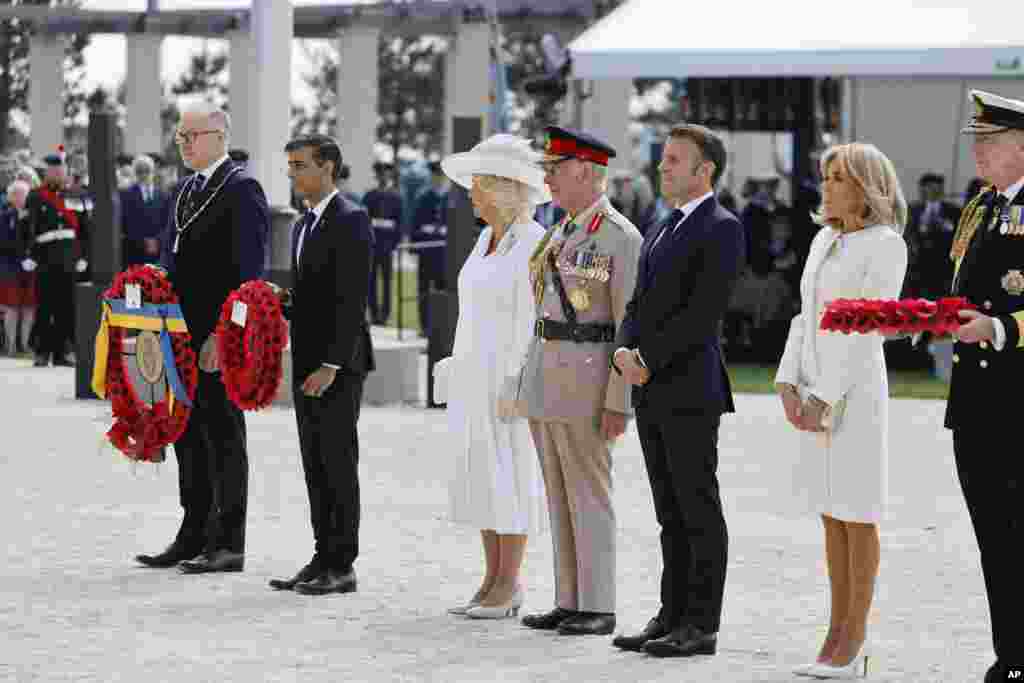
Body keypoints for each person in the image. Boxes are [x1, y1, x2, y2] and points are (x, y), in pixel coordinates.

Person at [773, 142, 908, 678]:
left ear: (865, 186)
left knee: (858, 513)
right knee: (830, 514)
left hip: (854, 394)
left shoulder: (885, 244)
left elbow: (867, 327)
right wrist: (787, 380)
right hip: (812, 387)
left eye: (837, 177)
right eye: (825, 176)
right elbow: (803, 317)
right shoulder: (823, 239)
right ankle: (833, 631)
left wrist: (824, 394)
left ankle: (856, 638)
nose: (826, 185)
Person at [612, 124, 745, 658]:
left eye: (673, 160)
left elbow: (702, 314)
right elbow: (638, 301)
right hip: (651, 387)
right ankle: (670, 613)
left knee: (697, 506)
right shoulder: (662, 225)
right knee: (669, 509)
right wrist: (624, 348)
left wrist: (646, 358)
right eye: (663, 159)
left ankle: (701, 623)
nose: (662, 168)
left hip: (689, 386)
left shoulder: (721, 226)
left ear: (704, 170)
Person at [518, 126, 642, 637]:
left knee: (590, 493)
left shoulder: (619, 236)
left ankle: (600, 602)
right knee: (558, 494)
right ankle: (569, 597)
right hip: (550, 377)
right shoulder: (561, 231)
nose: (547, 178)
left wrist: (620, 400)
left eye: (555, 168)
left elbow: (627, 326)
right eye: (546, 169)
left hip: (590, 381)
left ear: (587, 172)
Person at [135, 103, 269, 574]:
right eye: (180, 138)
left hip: (216, 336)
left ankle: (229, 540)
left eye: (190, 136)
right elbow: (175, 257)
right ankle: (193, 531)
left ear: (218, 135)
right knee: (188, 433)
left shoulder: (242, 188)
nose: (184, 144)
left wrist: (222, 333)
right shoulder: (184, 189)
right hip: (179, 333)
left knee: (224, 434)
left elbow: (249, 275)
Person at [433, 134, 548, 619]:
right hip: (473, 371)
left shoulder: (535, 243)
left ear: (505, 188)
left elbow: (538, 317)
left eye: (478, 185)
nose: (471, 195)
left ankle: (510, 583)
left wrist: (523, 381)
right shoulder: (485, 239)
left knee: (512, 473)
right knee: (479, 473)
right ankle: (490, 578)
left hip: (509, 376)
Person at [268, 135, 375, 596]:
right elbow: (315, 293)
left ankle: (342, 562)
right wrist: (284, 301)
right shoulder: (301, 225)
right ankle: (321, 553)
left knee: (336, 459)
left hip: (337, 362)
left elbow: (351, 299)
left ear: (327, 167)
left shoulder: (351, 219)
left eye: (299, 166)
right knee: (314, 461)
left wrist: (332, 363)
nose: (292, 175)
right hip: (307, 356)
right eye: (289, 166)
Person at [945, 89, 1024, 683]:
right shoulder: (983, 206)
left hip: (1017, 398)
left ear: (1021, 146)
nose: (977, 151)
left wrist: (998, 327)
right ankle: (1014, 654)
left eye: (989, 142)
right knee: (994, 537)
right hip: (974, 402)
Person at [19, 149, 88, 367]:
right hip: (45, 257)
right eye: (53, 172)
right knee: (44, 305)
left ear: (66, 172)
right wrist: (28, 254)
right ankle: (42, 351)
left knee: (66, 306)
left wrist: (84, 255)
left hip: (69, 257)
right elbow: (25, 228)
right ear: (46, 173)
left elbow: (85, 228)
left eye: (60, 171)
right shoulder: (36, 195)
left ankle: (63, 352)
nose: (57, 175)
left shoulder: (76, 194)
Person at [904, 172, 960, 300]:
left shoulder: (953, 210)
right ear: (922, 189)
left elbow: (959, 234)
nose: (933, 191)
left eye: (937, 188)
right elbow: (908, 234)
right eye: (929, 187)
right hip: (918, 267)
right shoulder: (912, 210)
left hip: (944, 266)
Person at [410, 160, 449, 336]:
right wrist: (415, 245)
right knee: (424, 290)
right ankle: (425, 326)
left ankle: (441, 327)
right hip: (427, 251)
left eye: (440, 176)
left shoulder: (450, 198)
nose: (438, 180)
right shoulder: (423, 197)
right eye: (435, 176)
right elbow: (415, 225)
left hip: (444, 253)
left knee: (443, 290)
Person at [363, 161, 403, 325]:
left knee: (387, 281)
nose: (382, 177)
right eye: (380, 174)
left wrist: (394, 244)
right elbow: (364, 221)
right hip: (372, 245)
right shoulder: (370, 196)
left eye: (385, 174)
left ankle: (385, 314)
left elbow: (399, 224)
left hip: (387, 246)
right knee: (371, 281)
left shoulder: (396, 197)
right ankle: (373, 312)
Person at [0, 180, 35, 355]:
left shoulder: (33, 214)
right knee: (11, 308)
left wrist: (32, 257)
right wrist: (20, 256)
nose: (21, 198)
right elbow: (4, 241)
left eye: (24, 194)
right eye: (17, 194)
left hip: (31, 267)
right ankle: (11, 345)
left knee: (29, 307)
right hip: (10, 267)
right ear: (11, 197)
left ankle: (25, 344)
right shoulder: (4, 216)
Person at [120, 155, 170, 267]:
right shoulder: (126, 195)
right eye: (139, 171)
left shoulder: (163, 195)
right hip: (135, 252)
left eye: (147, 170)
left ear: (153, 172)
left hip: (158, 251)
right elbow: (125, 224)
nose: (143, 175)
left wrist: (157, 240)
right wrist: (144, 241)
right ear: (135, 173)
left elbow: (168, 222)